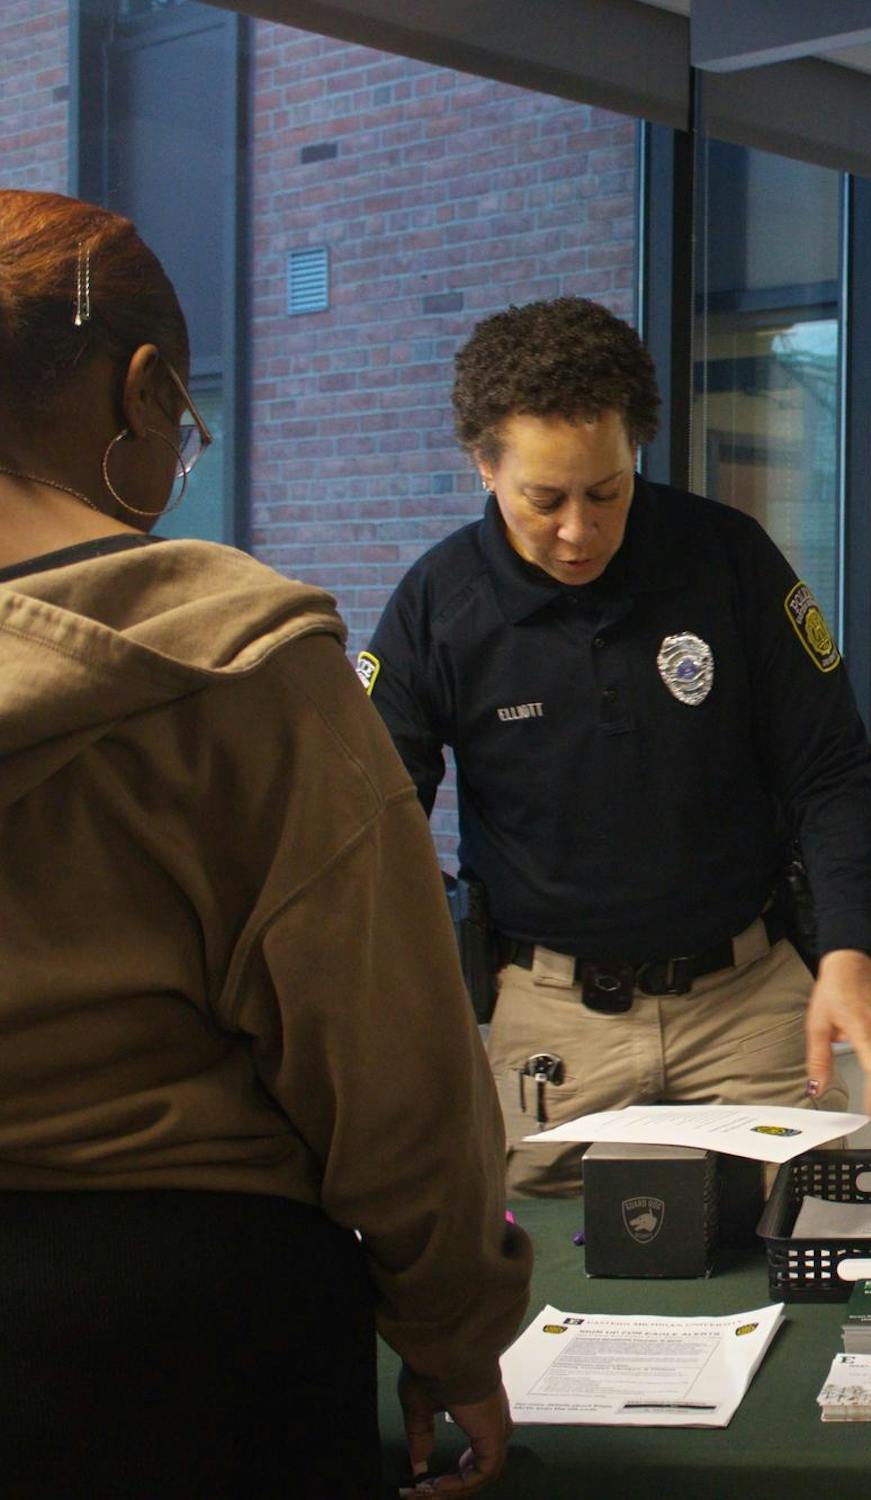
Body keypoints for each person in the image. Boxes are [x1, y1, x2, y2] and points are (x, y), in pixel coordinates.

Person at [0, 189, 530, 1498]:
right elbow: (393, 1070)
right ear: (140, 394)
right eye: (180, 416)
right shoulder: (236, 671)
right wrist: (455, 1330)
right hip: (182, 1335)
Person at [363, 296, 871, 1196]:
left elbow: (830, 770)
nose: (579, 531)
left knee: (802, 1251)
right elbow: (373, 825)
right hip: (554, 1023)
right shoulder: (438, 607)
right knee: (539, 1289)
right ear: (484, 466)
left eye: (605, 492)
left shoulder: (727, 558)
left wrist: (849, 958)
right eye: (545, 500)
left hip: (749, 1005)